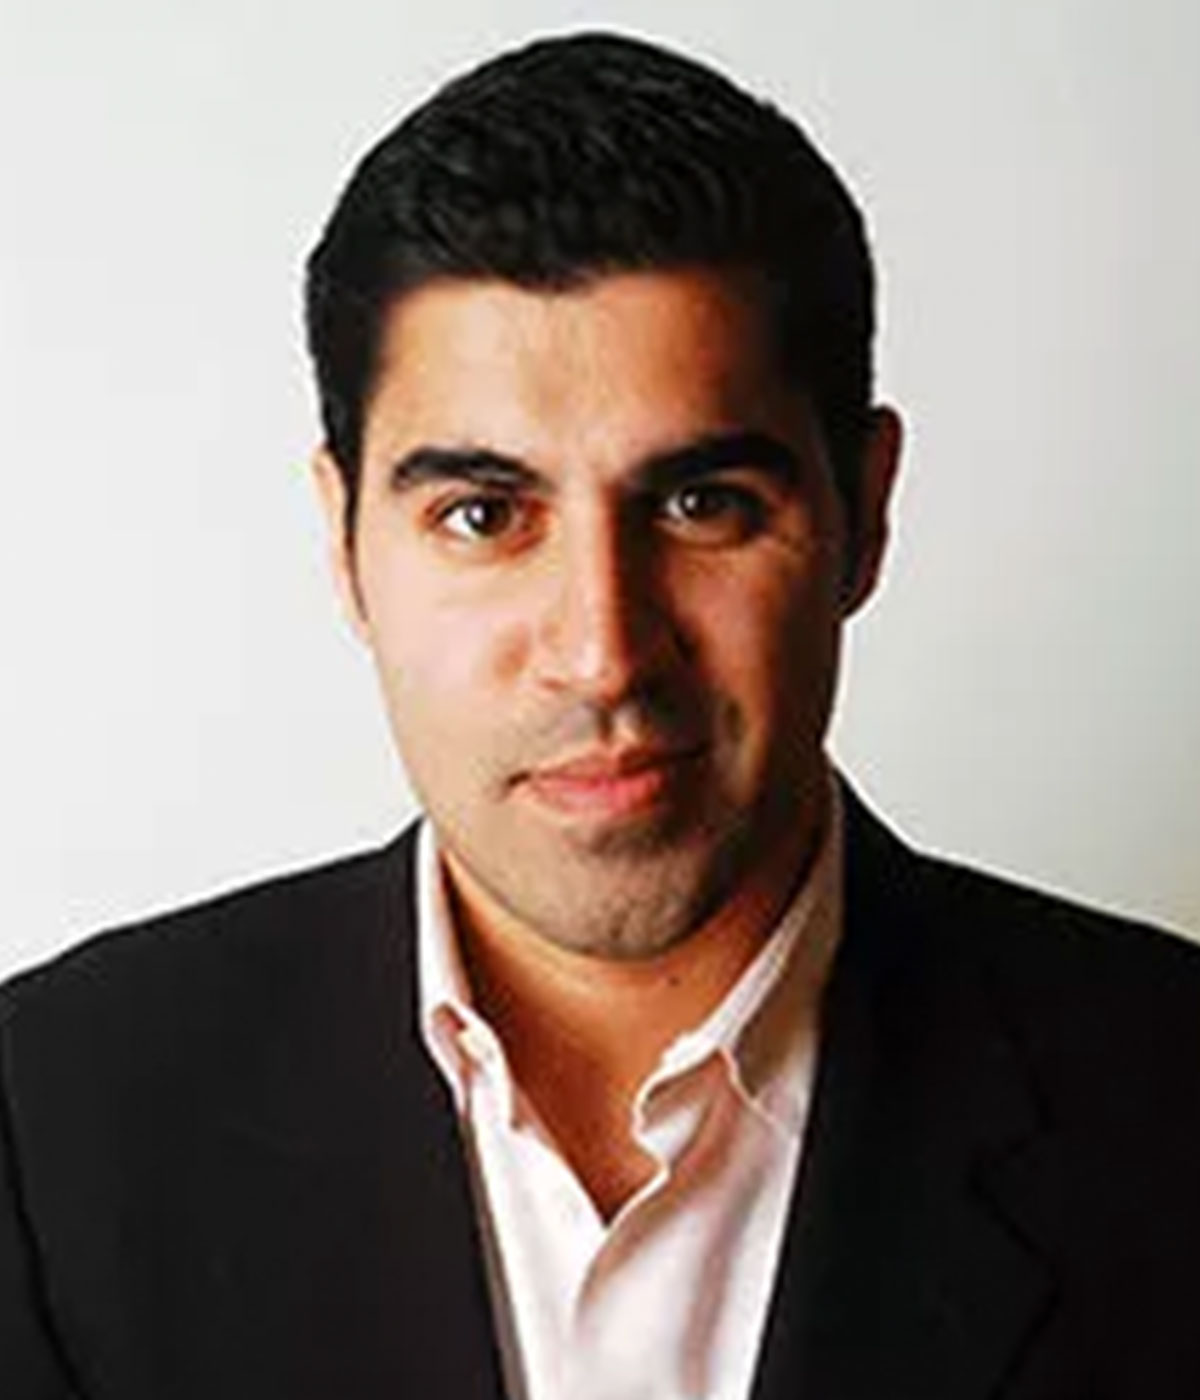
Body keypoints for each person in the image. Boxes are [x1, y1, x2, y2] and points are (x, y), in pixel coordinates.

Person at [3, 30, 1198, 1400]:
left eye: (701, 505)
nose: (603, 653)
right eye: (483, 515)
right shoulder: (52, 1126)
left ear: (864, 514)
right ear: (344, 543)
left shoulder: (1171, 1113)